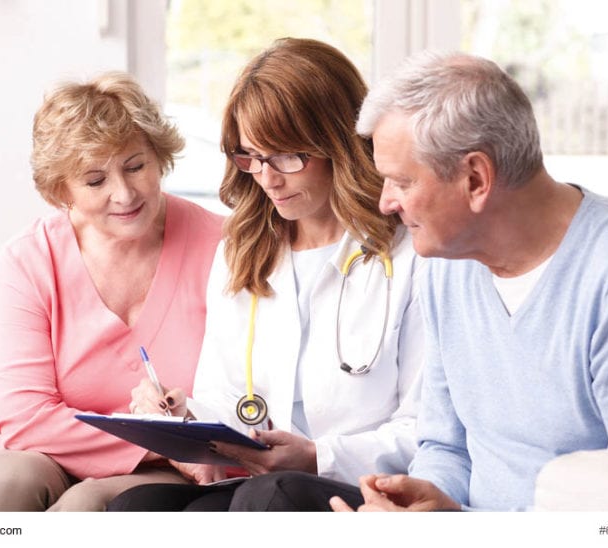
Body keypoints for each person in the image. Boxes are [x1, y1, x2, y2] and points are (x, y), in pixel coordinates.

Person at [248, 50, 608, 512]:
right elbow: (445, 446)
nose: (386, 202)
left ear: (475, 178)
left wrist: (458, 527)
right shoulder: (449, 266)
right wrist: (409, 505)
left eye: (401, 182)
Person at [107, 37, 425, 511]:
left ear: (338, 141)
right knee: (137, 508)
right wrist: (185, 414)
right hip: (261, 488)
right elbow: (227, 395)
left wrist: (318, 456)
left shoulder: (409, 253)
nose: (267, 177)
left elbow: (428, 426)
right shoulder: (244, 250)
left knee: (271, 494)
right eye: (250, 156)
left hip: (358, 484)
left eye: (287, 156)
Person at [0, 72, 224, 511]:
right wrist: (156, 445)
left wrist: (179, 442)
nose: (123, 194)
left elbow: (249, 390)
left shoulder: (221, 243)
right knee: (8, 478)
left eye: (135, 166)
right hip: (78, 455)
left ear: (158, 158)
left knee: (85, 507)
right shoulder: (27, 260)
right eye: (94, 180)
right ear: (60, 190)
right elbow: (24, 416)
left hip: (179, 469)